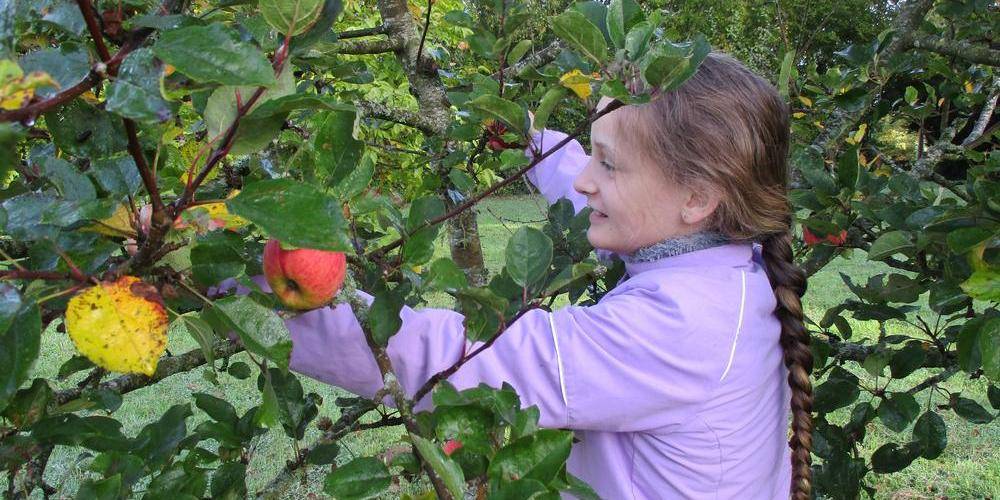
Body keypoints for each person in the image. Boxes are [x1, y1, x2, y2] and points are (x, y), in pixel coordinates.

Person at [253, 53, 813, 499]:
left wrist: (233, 293)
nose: (586, 179)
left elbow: (459, 359)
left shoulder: (679, 326)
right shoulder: (728, 263)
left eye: (609, 163)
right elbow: (586, 181)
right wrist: (527, 136)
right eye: (592, 154)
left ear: (697, 198)